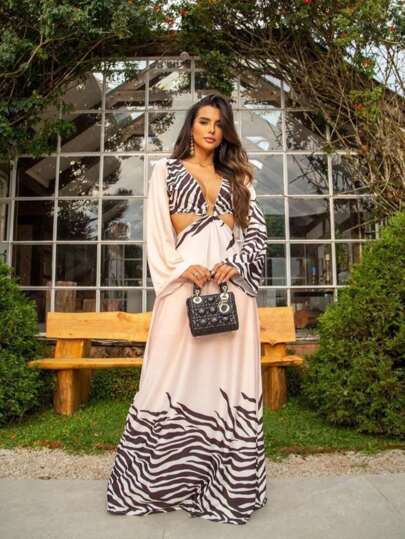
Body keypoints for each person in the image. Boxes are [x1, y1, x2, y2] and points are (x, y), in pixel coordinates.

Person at [106, 93, 269, 525]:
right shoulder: (167, 171)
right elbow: (158, 235)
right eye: (203, 121)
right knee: (166, 380)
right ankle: (158, 481)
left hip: (232, 295)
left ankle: (224, 486)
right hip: (184, 290)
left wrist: (236, 262)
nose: (211, 130)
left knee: (227, 386)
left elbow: (256, 235)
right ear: (191, 127)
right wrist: (182, 268)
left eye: (218, 123)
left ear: (226, 130)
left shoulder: (239, 179)